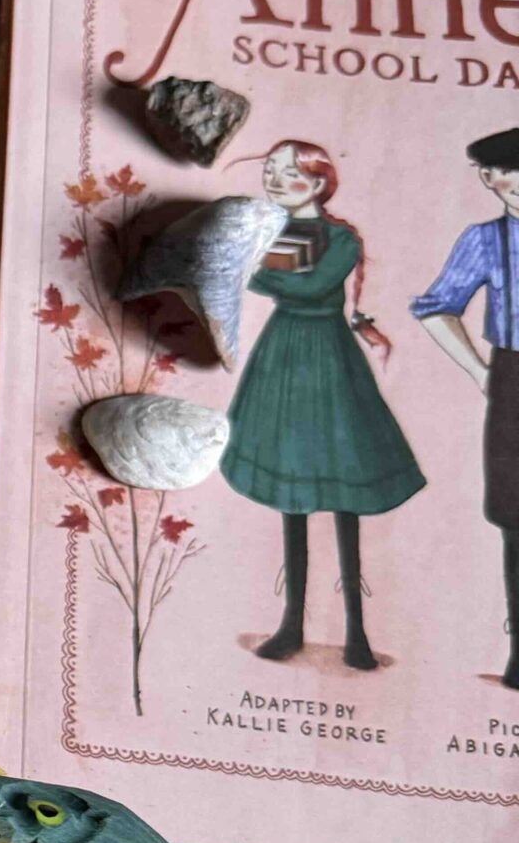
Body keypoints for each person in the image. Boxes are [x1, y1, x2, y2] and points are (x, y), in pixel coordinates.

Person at [221, 140, 423, 668]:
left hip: (328, 357)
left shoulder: (339, 238)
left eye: (286, 173)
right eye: (269, 170)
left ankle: (356, 630)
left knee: (344, 498)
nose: (272, 179)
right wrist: (262, 265)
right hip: (282, 355)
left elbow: (304, 285)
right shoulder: (274, 232)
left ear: (315, 184)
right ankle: (291, 626)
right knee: (291, 493)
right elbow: (267, 277)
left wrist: (259, 266)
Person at [410, 127, 519, 686]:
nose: (510, 183)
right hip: (513, 376)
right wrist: (482, 372)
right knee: (515, 517)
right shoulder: (485, 239)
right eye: (500, 172)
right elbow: (435, 306)